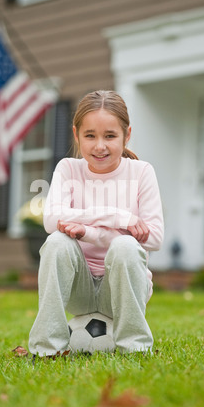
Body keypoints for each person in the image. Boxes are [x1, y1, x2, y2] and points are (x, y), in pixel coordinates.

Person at [29, 90, 164, 358]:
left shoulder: (142, 172)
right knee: (56, 240)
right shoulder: (68, 169)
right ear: (76, 134)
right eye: (90, 136)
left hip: (121, 289)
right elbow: (52, 219)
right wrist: (121, 218)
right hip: (78, 288)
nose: (100, 146)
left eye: (110, 136)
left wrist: (87, 231)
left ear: (127, 135)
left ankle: (135, 349)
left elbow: (154, 238)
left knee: (126, 245)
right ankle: (46, 350)